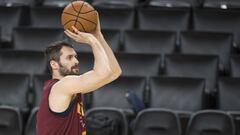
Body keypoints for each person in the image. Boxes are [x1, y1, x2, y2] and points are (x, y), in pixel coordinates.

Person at [36, 13, 122, 135]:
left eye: (76, 57)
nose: (76, 61)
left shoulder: (70, 88)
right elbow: (103, 73)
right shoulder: (62, 86)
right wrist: (92, 40)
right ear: (54, 64)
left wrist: (99, 36)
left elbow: (114, 72)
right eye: (69, 57)